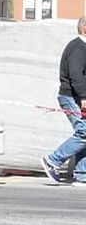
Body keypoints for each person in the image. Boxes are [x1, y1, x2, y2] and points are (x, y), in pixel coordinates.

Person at [42, 17, 86, 184]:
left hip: (77, 97)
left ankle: (82, 176)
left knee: (84, 133)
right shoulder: (78, 48)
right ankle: (52, 160)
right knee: (84, 132)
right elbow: (76, 76)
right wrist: (84, 97)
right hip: (71, 97)